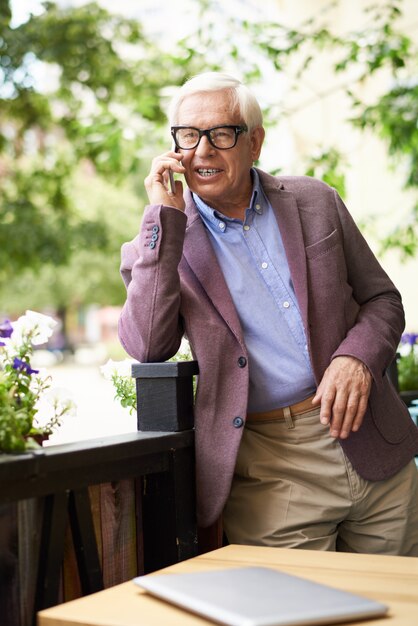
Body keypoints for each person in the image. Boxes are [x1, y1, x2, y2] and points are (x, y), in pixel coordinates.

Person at [118, 72, 418, 555]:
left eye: (222, 133)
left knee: (403, 606)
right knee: (297, 609)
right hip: (270, 468)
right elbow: (148, 345)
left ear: (254, 142)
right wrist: (163, 220)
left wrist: (356, 358)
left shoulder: (316, 200)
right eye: (188, 135)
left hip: (373, 444)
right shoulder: (160, 243)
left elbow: (384, 299)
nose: (203, 150)